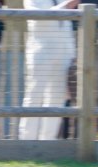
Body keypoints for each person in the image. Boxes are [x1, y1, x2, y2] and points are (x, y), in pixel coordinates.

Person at [18, 0, 79, 141]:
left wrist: (72, 56)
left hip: (63, 53)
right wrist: (66, 5)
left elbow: (67, 28)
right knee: (35, 95)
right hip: (41, 52)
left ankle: (48, 141)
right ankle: (27, 141)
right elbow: (39, 16)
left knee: (57, 98)